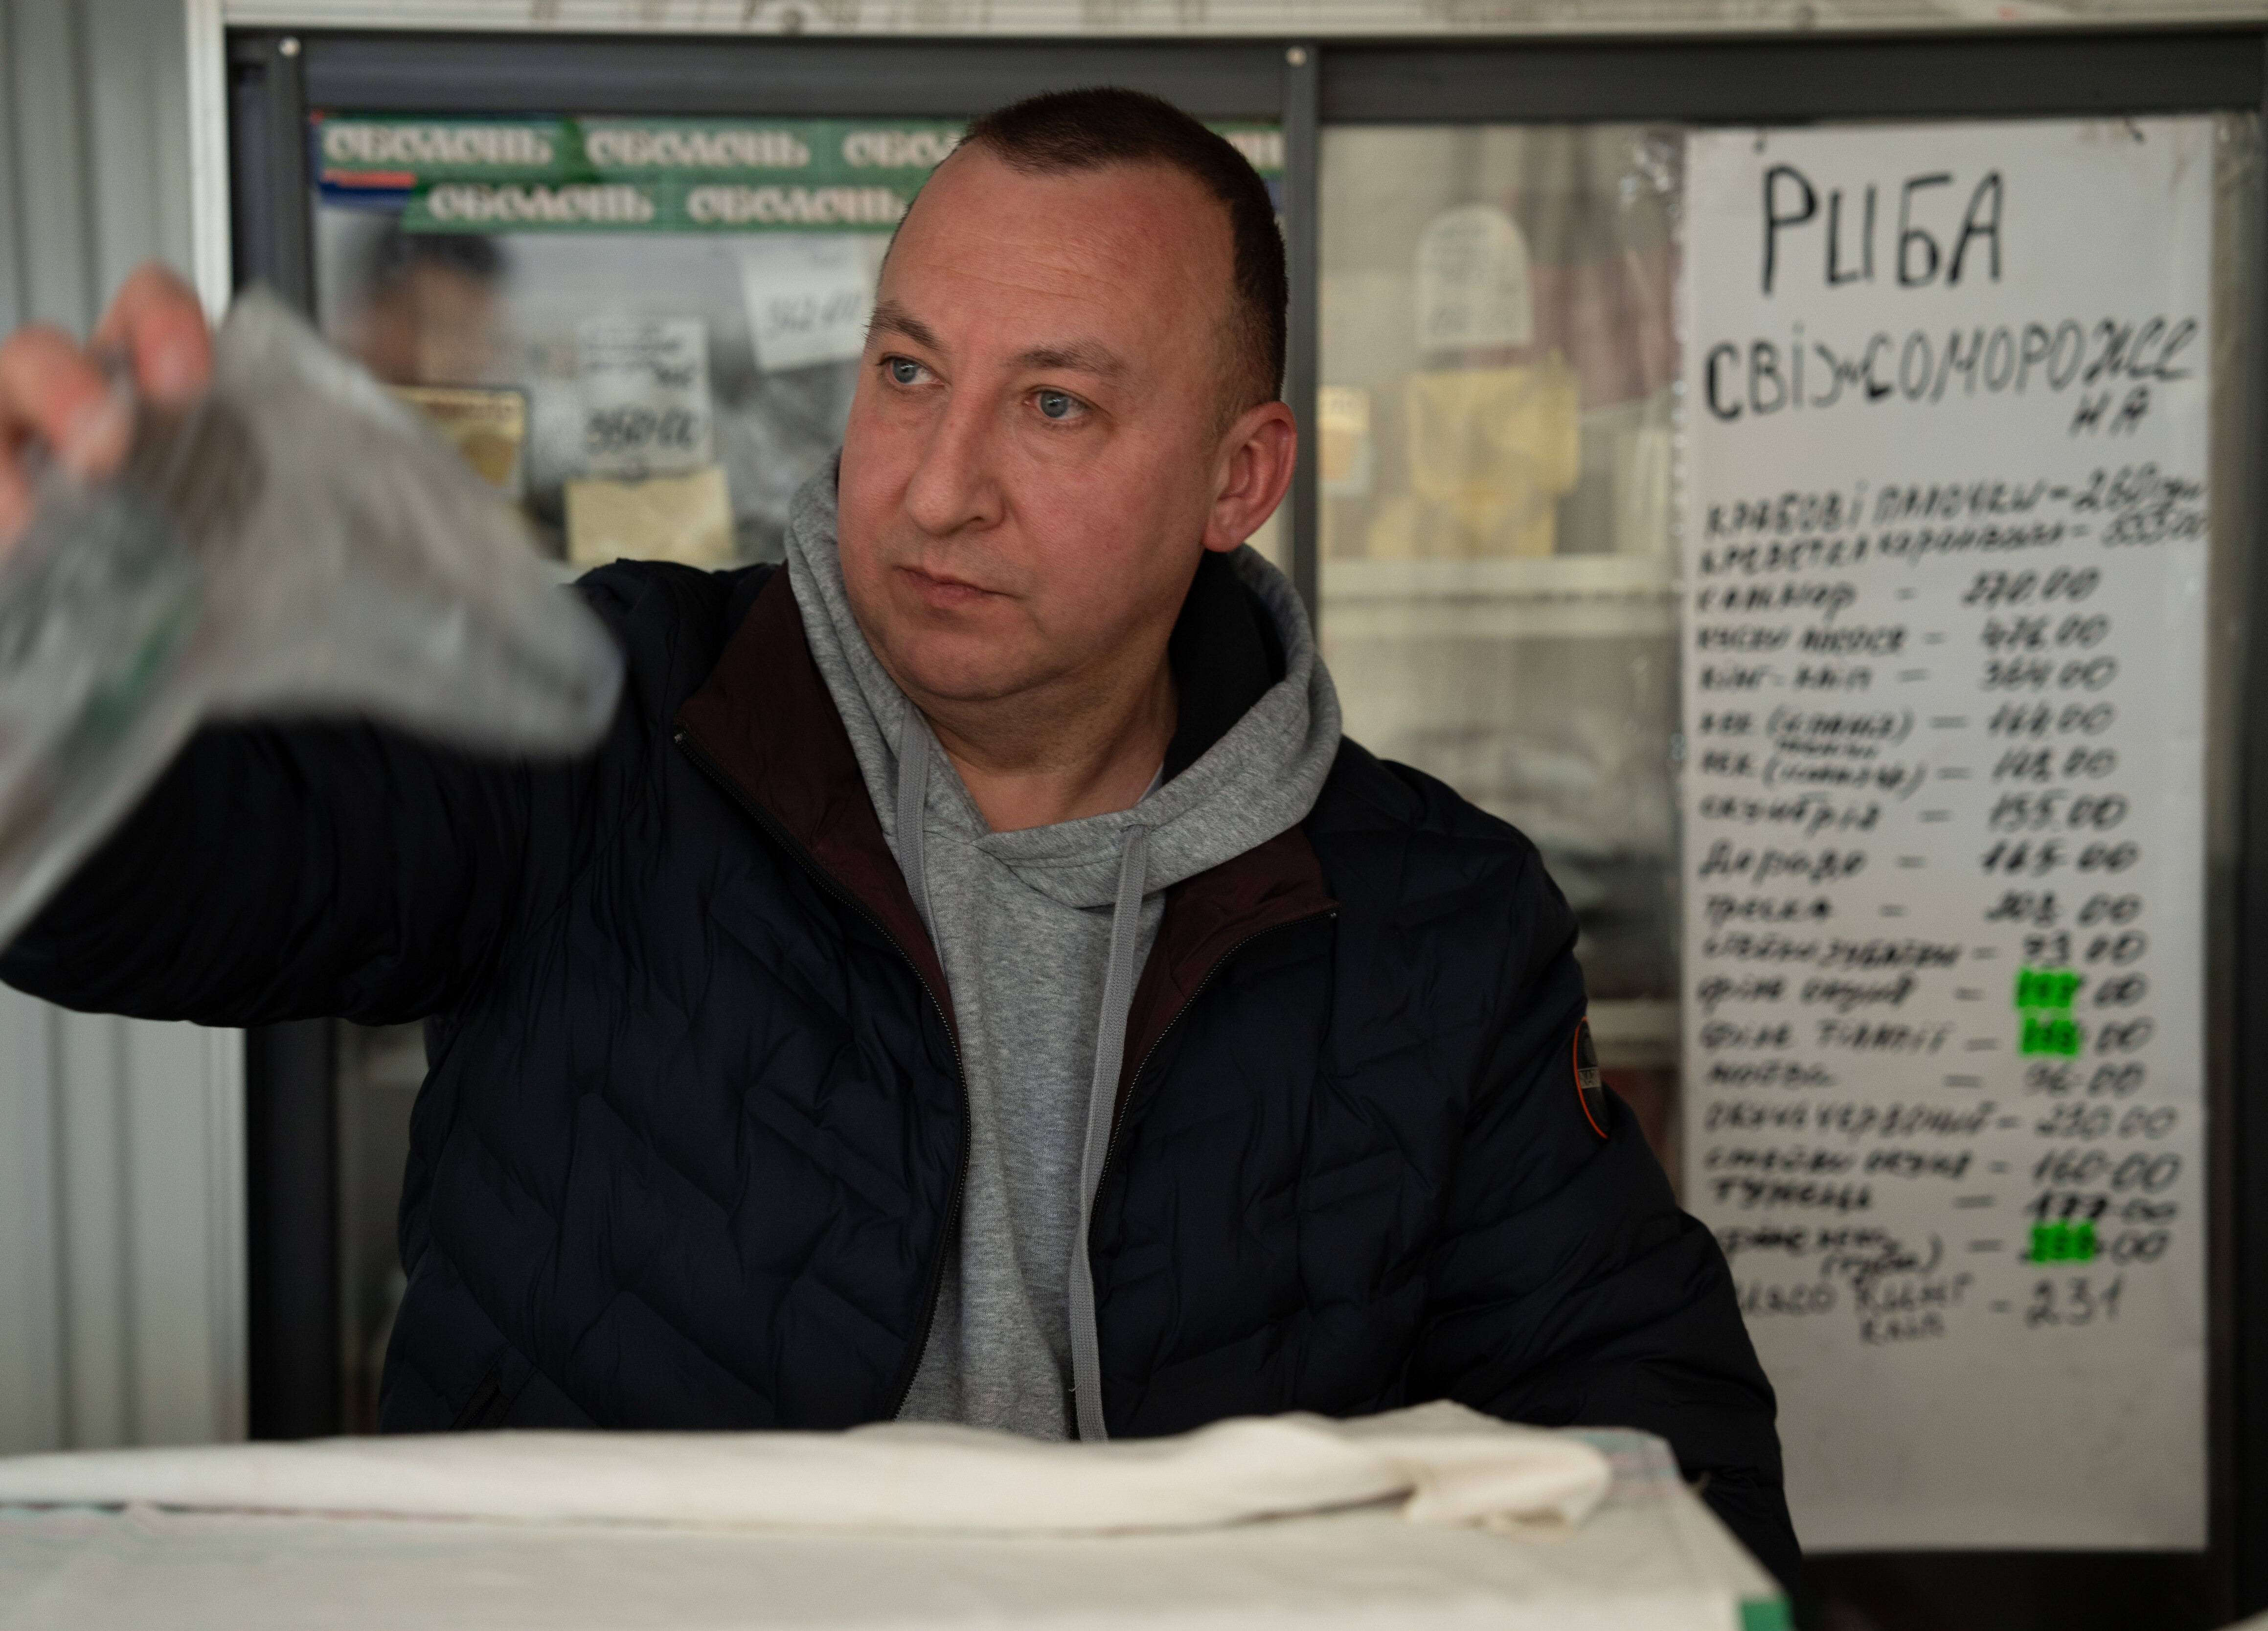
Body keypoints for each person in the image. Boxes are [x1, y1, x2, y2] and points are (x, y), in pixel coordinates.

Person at [0, 88, 1801, 1587]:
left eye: (1056, 405)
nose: (937, 488)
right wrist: (56, 663)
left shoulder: (1438, 920)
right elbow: (165, 880)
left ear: (1238, 478)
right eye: (910, 371)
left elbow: (1650, 1446)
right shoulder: (610, 719)